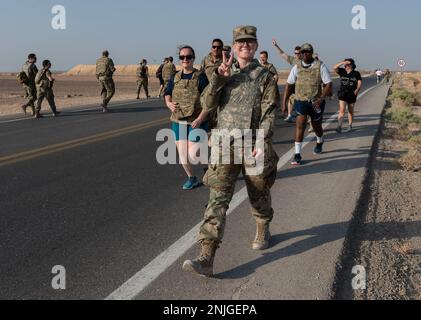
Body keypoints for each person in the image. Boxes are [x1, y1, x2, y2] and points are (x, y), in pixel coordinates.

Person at [182, 26, 280, 277]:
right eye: (240, 42)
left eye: (249, 42)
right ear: (234, 47)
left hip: (252, 145)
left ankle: (262, 225)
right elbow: (206, 105)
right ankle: (206, 256)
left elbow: (270, 112)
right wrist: (218, 80)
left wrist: (262, 141)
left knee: (258, 191)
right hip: (224, 145)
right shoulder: (222, 72)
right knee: (217, 200)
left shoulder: (265, 75)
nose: (245, 45)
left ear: (256, 46)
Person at [164, 46, 209, 190]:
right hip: (178, 120)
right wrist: (168, 103)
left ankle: (208, 168)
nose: (185, 60)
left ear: (193, 58)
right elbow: (167, 92)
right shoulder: (175, 77)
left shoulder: (200, 77)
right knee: (182, 153)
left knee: (194, 152)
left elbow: (209, 101)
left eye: (188, 57)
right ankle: (192, 178)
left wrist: (201, 118)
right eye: (182, 57)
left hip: (196, 120)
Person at [282, 43, 333, 166]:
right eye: (302, 52)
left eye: (307, 52)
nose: (304, 54)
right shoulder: (297, 67)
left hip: (316, 102)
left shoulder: (320, 66)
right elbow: (289, 85)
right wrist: (284, 102)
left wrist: (321, 99)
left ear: (312, 53)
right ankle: (297, 154)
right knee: (300, 125)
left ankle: (320, 141)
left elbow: (328, 84)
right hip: (300, 101)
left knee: (316, 126)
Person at [272, 39, 302, 122]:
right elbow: (282, 54)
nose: (296, 55)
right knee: (290, 98)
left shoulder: (306, 60)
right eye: (295, 53)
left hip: (304, 84)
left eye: (298, 53)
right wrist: (276, 46)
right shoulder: (293, 60)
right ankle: (289, 115)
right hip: (295, 83)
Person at [333, 59, 363, 133]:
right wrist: (343, 62)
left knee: (350, 111)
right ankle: (339, 126)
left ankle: (350, 125)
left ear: (351, 65)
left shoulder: (356, 73)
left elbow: (359, 82)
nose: (345, 66)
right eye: (345, 65)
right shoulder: (342, 71)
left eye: (347, 64)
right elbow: (334, 68)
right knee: (342, 110)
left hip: (352, 94)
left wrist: (357, 89)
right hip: (343, 94)